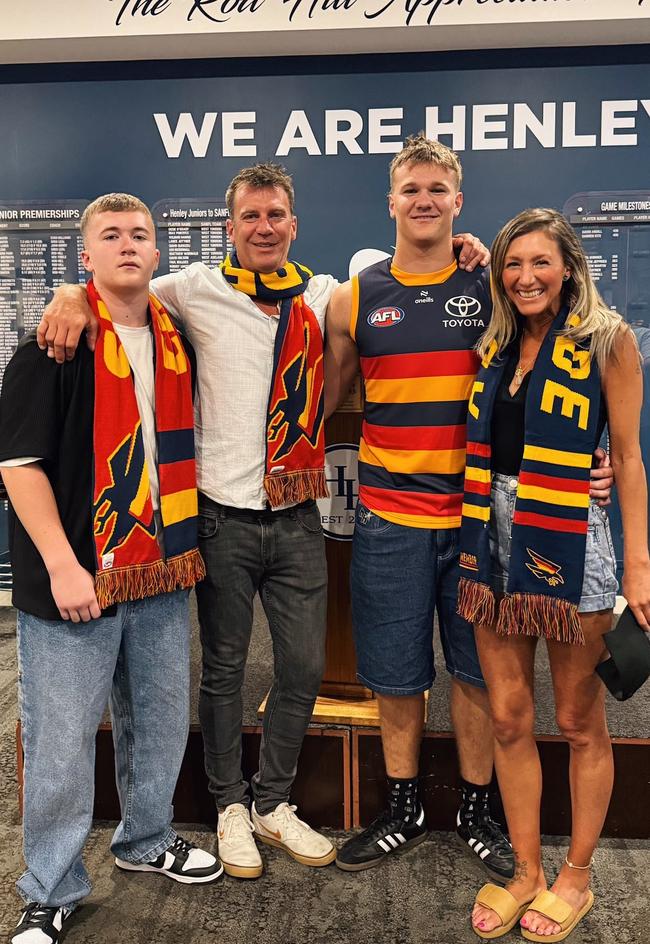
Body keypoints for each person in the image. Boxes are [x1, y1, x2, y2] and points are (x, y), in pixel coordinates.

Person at [36, 163, 487, 881]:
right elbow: (115, 293)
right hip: (221, 518)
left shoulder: (323, 293)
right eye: (251, 216)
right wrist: (66, 291)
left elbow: (406, 276)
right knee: (223, 670)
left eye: (276, 214)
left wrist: (472, 252)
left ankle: (273, 800)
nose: (264, 227)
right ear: (230, 227)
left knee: (304, 666)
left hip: (296, 515)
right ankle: (228, 806)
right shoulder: (191, 290)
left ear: (294, 224)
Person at [325, 137, 611, 881]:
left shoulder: (492, 288)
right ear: (390, 202)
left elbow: (549, 382)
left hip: (479, 522)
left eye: (438, 189)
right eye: (411, 188)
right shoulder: (353, 297)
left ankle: (479, 809)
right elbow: (327, 400)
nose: (424, 199)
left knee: (480, 676)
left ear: (458, 202)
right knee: (393, 671)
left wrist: (594, 460)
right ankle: (404, 804)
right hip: (388, 517)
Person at [0, 193, 222, 944]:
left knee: (160, 717)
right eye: (109, 235)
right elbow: (19, 466)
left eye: (141, 234)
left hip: (160, 569)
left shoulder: (177, 340)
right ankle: (50, 887)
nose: (128, 244)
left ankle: (146, 837)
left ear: (157, 254)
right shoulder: (54, 343)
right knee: (61, 740)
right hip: (75, 579)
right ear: (83, 257)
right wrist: (62, 564)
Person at [458, 208, 649, 942]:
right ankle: (528, 869)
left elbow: (627, 457)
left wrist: (639, 563)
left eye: (540, 262)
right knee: (508, 716)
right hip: (491, 537)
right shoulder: (496, 343)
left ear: (569, 265)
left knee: (576, 720)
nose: (525, 276)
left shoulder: (608, 341)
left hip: (572, 538)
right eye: (512, 264)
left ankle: (577, 873)